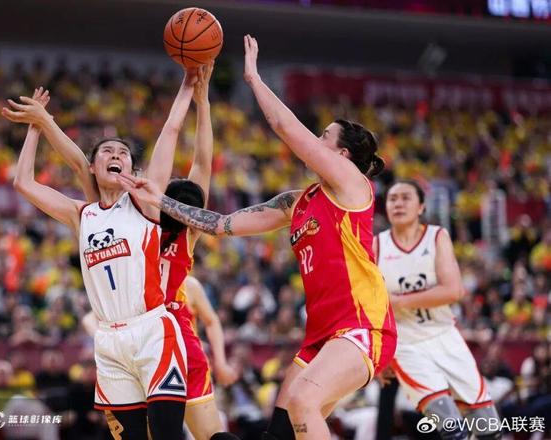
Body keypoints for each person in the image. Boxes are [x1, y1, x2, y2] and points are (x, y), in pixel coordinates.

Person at [117, 35, 397, 440]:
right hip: (321, 335)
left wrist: (253, 78)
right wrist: (159, 200)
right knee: (279, 434)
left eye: (324, 136)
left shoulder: (353, 187)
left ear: (343, 156)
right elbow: (221, 224)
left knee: (302, 402)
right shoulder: (297, 202)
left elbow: (285, 127)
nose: (316, 140)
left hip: (361, 326)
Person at [25, 64, 240, 440]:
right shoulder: (111, 212)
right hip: (121, 337)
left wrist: (200, 100)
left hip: (163, 332)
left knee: (205, 435)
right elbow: (80, 165)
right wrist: (42, 123)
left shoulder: (179, 229)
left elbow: (199, 162)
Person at [376, 180, 501, 440]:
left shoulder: (436, 236)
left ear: (421, 206)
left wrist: (398, 301)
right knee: (451, 428)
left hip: (444, 334)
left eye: (405, 198)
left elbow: (453, 291)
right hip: (405, 344)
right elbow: (369, 306)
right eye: (392, 199)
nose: (398, 203)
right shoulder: (376, 245)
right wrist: (380, 354)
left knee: (489, 429)